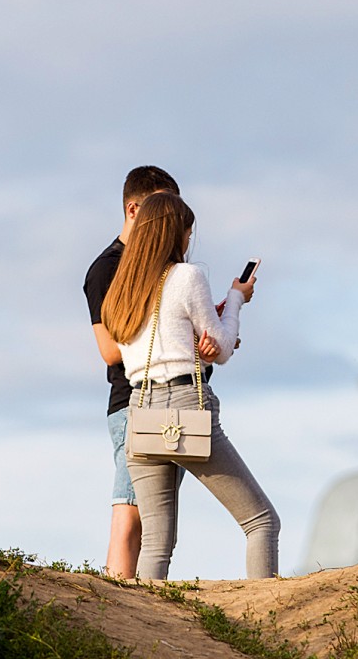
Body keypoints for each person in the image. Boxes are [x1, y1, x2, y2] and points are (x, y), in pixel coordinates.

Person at [101, 192, 276, 580]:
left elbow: (156, 343)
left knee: (156, 543)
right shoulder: (187, 276)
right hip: (184, 402)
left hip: (140, 411)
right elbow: (223, 348)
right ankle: (269, 616)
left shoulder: (121, 291)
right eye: (188, 232)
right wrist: (236, 299)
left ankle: (142, 619)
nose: (188, 240)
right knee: (262, 522)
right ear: (174, 233)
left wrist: (201, 341)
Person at [84, 165, 181, 577]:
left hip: (170, 401)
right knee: (131, 514)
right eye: (162, 209)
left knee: (156, 523)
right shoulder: (107, 268)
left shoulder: (162, 265)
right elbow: (109, 350)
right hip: (134, 402)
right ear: (133, 209)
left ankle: (138, 601)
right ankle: (115, 603)